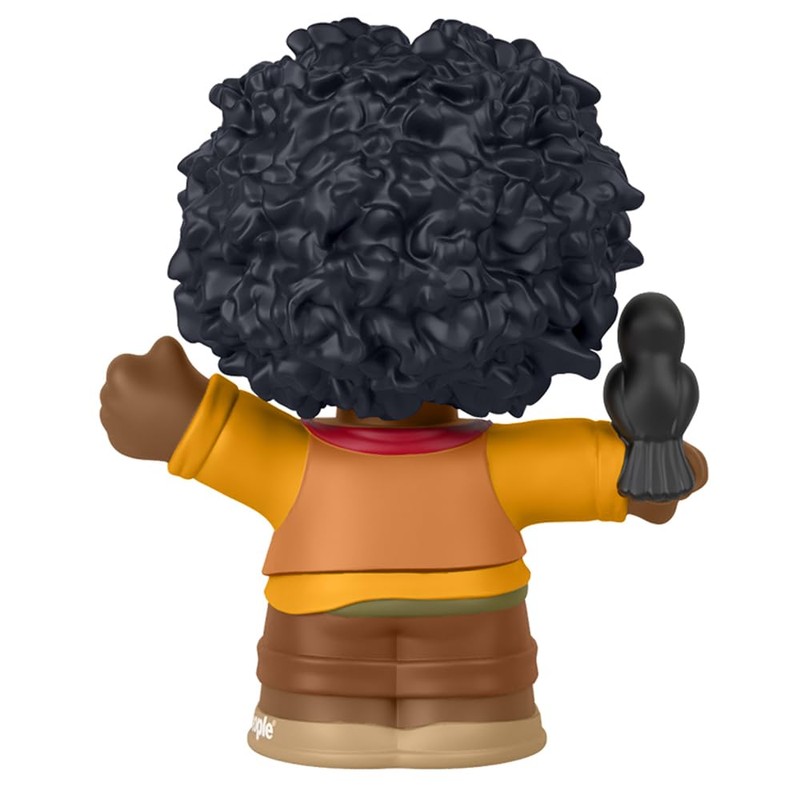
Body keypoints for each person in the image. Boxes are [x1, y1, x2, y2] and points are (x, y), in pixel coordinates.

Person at [100, 18, 707, 768]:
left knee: (405, 728)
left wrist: (654, 456)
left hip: (435, 665)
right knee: (352, 725)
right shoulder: (485, 466)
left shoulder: (301, 463)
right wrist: (653, 461)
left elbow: (215, 437)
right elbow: (642, 485)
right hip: (387, 663)